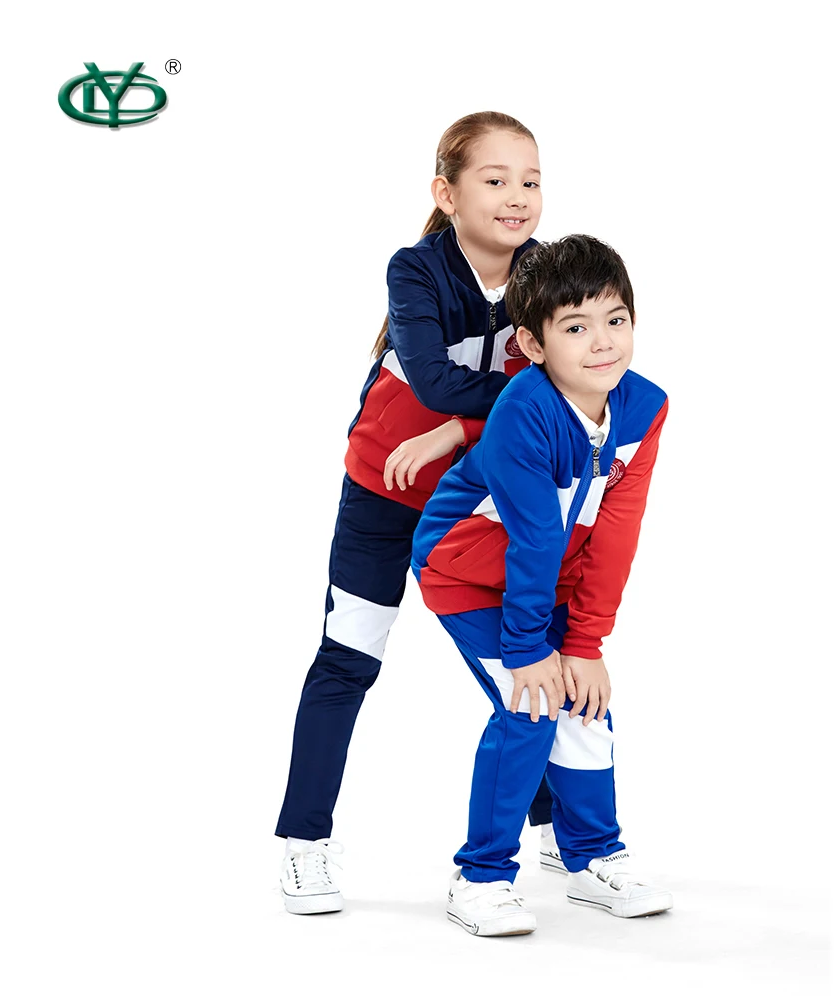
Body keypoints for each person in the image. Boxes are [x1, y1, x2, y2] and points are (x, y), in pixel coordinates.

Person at [275, 112, 562, 915]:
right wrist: (498, 404)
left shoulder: (547, 270)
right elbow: (437, 382)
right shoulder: (415, 268)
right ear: (447, 192)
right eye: (495, 180)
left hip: (472, 499)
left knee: (521, 662)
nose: (517, 196)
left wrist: (459, 431)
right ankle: (303, 842)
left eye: (531, 180)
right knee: (348, 658)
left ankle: (556, 824)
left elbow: (571, 378)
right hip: (381, 493)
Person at [411, 234, 674, 936]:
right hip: (463, 571)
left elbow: (615, 536)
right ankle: (480, 877)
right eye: (576, 328)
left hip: (546, 579)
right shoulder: (523, 412)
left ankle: (592, 856)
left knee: (584, 704)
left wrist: (585, 642)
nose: (603, 342)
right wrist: (531, 649)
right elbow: (533, 537)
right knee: (529, 705)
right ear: (533, 343)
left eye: (616, 320)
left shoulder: (643, 408)